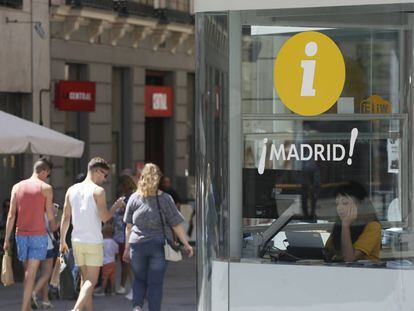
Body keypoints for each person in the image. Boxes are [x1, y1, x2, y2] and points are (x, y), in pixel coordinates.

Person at [123, 163, 194, 311]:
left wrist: (126, 248)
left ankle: (137, 307)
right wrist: (186, 244)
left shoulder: (134, 198)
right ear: (158, 178)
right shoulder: (166, 199)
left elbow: (128, 227)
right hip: (159, 246)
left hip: (137, 245)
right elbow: (175, 224)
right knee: (155, 283)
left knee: (139, 280)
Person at [60, 157, 125, 311]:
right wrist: (115, 206)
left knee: (85, 280)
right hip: (93, 241)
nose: (105, 178)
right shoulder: (98, 191)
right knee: (91, 281)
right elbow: (105, 218)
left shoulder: (71, 189)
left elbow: (65, 217)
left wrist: (62, 240)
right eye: (105, 174)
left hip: (76, 240)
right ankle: (75, 310)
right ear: (96, 171)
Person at [3, 157, 58, 311]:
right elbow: (51, 218)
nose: (47, 177)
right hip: (38, 236)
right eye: (48, 174)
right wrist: (58, 224)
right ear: (44, 171)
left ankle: (26, 308)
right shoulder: (46, 188)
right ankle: (23, 308)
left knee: (28, 274)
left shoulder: (16, 187)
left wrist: (7, 239)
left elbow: (11, 215)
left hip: (20, 235)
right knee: (30, 275)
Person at [325, 181, 382, 262]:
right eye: (337, 204)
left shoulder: (373, 226)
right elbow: (327, 251)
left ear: (359, 204)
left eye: (345, 203)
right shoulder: (339, 224)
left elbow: (349, 259)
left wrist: (345, 225)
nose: (339, 208)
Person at [113, 174, 137, 299]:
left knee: (126, 262)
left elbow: (128, 220)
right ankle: (125, 287)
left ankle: (132, 288)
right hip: (121, 234)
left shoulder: (128, 198)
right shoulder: (129, 197)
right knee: (125, 262)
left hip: (125, 235)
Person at [32, 209, 59, 309]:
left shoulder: (33, 211)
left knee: (41, 275)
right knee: (47, 274)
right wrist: (59, 221)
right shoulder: (49, 213)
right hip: (47, 245)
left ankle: (45, 300)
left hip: (34, 243)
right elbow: (53, 228)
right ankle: (33, 293)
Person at [94, 224, 118, 297]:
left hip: (105, 262)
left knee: (104, 277)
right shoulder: (115, 243)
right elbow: (116, 253)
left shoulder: (102, 242)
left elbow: (99, 251)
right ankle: (113, 291)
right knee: (112, 278)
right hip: (113, 262)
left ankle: (102, 291)